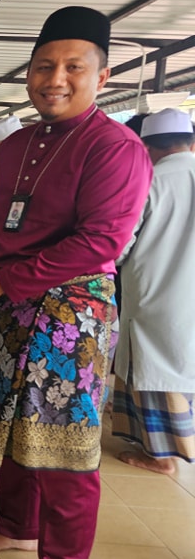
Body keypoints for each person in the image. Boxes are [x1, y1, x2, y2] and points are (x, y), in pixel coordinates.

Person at [0, 6, 152, 559]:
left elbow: (99, 243)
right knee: (11, 428)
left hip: (71, 321)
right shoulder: (14, 144)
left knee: (62, 444)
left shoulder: (116, 147)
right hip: (11, 311)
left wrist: (1, 279)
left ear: (102, 76)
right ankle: (17, 526)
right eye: (43, 67)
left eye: (73, 67)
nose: (55, 79)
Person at [112, 108, 195, 475]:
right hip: (185, 292)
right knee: (180, 367)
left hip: (155, 291)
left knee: (153, 371)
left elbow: (118, 244)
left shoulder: (148, 181)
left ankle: (161, 455)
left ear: (144, 147)